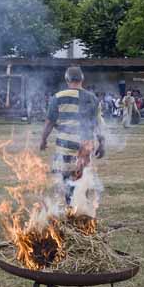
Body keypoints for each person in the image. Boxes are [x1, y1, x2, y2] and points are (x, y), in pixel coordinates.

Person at [39, 66, 105, 204]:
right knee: (82, 178)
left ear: (67, 79)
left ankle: (71, 208)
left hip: (65, 145)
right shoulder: (93, 98)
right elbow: (98, 124)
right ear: (82, 79)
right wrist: (102, 143)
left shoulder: (57, 97)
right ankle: (80, 209)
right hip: (86, 145)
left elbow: (49, 123)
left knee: (66, 178)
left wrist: (43, 140)